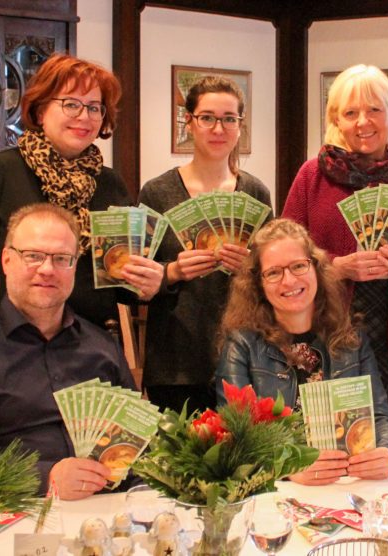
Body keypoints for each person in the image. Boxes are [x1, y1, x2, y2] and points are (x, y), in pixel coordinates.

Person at [283, 65, 388, 461]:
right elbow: (286, 254)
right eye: (350, 112)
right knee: (333, 451)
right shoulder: (312, 176)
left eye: (374, 110)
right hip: (328, 335)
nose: (363, 122)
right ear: (335, 120)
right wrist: (335, 268)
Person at [0, 54, 163, 329]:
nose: (84, 116)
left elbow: (118, 286)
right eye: (71, 104)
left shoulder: (110, 184)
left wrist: (147, 286)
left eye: (94, 107)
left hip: (90, 345)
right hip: (8, 342)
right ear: (40, 111)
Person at [0, 204, 137, 500]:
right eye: (33, 256)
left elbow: (138, 443)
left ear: (75, 266)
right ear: (6, 260)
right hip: (9, 510)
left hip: (106, 510)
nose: (47, 269)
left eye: (62, 258)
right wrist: (45, 477)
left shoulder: (102, 346)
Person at [216, 219, 388, 484]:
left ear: (317, 269)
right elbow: (235, 437)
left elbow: (380, 415)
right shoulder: (241, 345)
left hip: (344, 485)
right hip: (278, 491)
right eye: (274, 272)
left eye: (299, 266)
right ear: (258, 283)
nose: (289, 280)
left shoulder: (352, 338)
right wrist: (289, 468)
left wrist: (387, 453)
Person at [138, 76, 271, 414]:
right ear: (190, 122)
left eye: (229, 119)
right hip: (175, 362)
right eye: (207, 117)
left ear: (240, 126)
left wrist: (251, 267)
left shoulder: (256, 193)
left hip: (246, 356)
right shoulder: (156, 192)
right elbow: (135, 283)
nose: (218, 128)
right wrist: (173, 271)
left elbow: (273, 275)